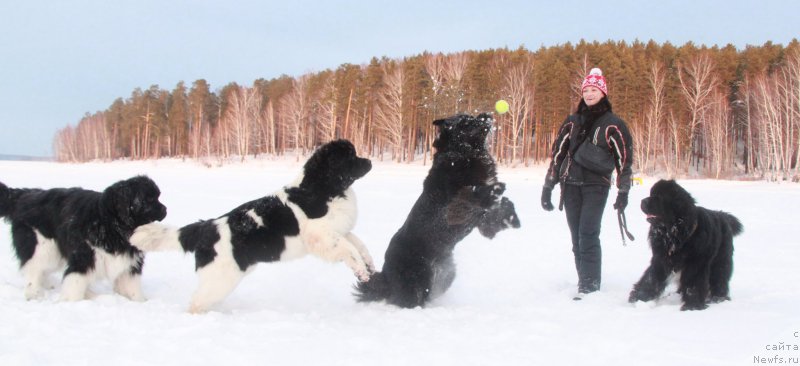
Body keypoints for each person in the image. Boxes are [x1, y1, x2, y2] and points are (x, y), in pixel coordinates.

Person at [540, 68, 633, 300]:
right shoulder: (572, 122)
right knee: (576, 238)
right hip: (570, 185)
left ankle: (589, 287)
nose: (589, 94)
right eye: (586, 90)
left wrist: (623, 191)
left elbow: (624, 161)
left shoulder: (613, 124)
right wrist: (548, 186)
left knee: (588, 234)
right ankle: (585, 280)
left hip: (596, 187)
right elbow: (558, 153)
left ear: (603, 92)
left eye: (594, 90)